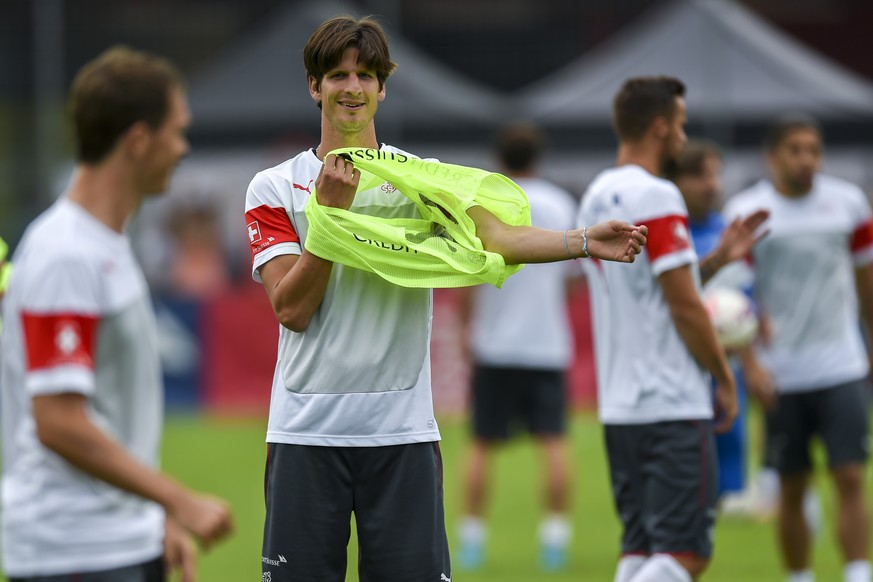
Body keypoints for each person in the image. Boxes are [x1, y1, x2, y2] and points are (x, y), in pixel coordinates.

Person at [244, 16, 647, 582]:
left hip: (403, 433)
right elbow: (292, 309)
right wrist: (329, 219)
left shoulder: (423, 182)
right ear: (314, 87)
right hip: (305, 433)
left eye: (366, 75)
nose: (352, 88)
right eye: (336, 75)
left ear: (384, 87)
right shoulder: (274, 186)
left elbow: (497, 238)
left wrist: (582, 241)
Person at [0, 46, 234, 582]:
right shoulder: (66, 255)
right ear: (137, 141)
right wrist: (179, 499)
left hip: (115, 541)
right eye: (175, 132)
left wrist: (153, 514)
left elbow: (106, 417)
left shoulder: (104, 243)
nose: (182, 148)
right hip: (73, 552)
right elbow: (57, 421)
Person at [577, 76, 738, 582]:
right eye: (682, 127)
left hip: (621, 405)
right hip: (671, 400)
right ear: (661, 126)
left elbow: (648, 289)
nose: (684, 139)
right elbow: (684, 307)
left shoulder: (595, 195)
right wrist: (724, 378)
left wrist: (711, 263)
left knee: (642, 549)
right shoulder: (659, 194)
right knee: (687, 553)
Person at [724, 114, 873, 582]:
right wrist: (750, 364)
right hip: (780, 372)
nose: (806, 159)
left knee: (850, 476)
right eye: (795, 150)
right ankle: (799, 576)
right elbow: (734, 302)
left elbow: (866, 281)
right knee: (791, 486)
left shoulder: (848, 204)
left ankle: (857, 573)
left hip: (841, 364)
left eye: (813, 149)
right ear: (773, 157)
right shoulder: (749, 212)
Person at [456, 123, 580, 572]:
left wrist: (468, 329)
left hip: (495, 344)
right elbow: (570, 279)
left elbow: (469, 275)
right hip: (547, 345)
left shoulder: (484, 201)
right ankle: (555, 540)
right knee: (553, 441)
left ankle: (471, 539)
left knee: (482, 442)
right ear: (538, 157)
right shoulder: (561, 202)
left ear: (499, 158)